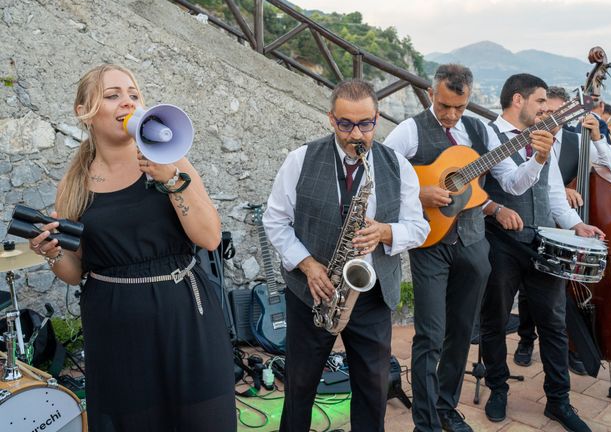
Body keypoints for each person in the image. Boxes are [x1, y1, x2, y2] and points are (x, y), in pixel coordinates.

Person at [28, 64, 237, 432]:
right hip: (114, 328)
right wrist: (54, 253)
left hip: (184, 317)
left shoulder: (169, 157)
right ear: (84, 111)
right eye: (113, 95)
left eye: (134, 94)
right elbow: (75, 274)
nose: (127, 102)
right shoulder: (74, 184)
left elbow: (209, 238)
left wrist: (173, 179)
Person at [384, 64, 554, 432]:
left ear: (468, 100)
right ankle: (425, 423)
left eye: (458, 107)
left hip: (474, 243)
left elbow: (512, 184)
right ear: (432, 94)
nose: (450, 115)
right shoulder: (410, 130)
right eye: (444, 105)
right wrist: (418, 193)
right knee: (430, 334)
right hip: (430, 243)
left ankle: (446, 408)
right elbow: (381, 176)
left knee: (462, 330)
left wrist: (538, 159)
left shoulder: (480, 130)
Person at [263, 79, 428, 432]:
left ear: (377, 119)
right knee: (300, 384)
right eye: (346, 124)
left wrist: (386, 232)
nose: (357, 134)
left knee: (372, 387)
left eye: (366, 124)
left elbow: (419, 227)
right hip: (312, 293)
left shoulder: (397, 164)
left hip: (370, 296)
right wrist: (307, 265)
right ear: (331, 119)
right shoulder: (301, 158)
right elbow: (275, 220)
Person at [480, 73, 603, 432]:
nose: (544, 110)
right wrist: (538, 156)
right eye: (539, 102)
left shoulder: (542, 136)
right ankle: (497, 388)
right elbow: (512, 183)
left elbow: (551, 194)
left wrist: (574, 224)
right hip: (501, 242)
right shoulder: (490, 135)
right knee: (495, 320)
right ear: (518, 100)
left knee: (553, 322)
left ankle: (559, 402)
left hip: (543, 240)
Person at [515, 85, 611, 374]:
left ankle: (576, 343)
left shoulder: (577, 139)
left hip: (570, 221)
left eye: (559, 111)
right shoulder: (530, 139)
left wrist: (597, 138)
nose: (552, 116)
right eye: (547, 110)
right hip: (540, 219)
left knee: (562, 289)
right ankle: (525, 339)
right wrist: (562, 189)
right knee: (529, 285)